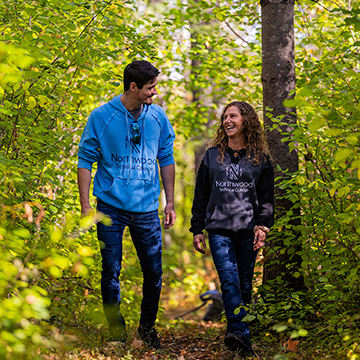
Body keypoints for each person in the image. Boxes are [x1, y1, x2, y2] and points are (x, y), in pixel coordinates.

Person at [77, 60, 176, 350]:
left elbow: (166, 159)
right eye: (150, 88)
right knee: (111, 270)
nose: (154, 93)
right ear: (133, 87)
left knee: (154, 272)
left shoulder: (158, 117)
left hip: (146, 208)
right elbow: (85, 160)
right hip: (110, 207)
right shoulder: (101, 116)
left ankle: (147, 329)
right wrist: (85, 206)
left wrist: (169, 202)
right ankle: (116, 332)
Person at [190, 101, 274, 355]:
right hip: (219, 229)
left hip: (248, 229)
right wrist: (197, 229)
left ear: (246, 120)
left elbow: (267, 197)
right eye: (225, 117)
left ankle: (238, 334)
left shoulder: (260, 158)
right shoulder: (212, 156)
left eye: (233, 116)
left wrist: (263, 225)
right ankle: (239, 332)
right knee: (228, 280)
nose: (227, 121)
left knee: (245, 285)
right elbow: (201, 195)